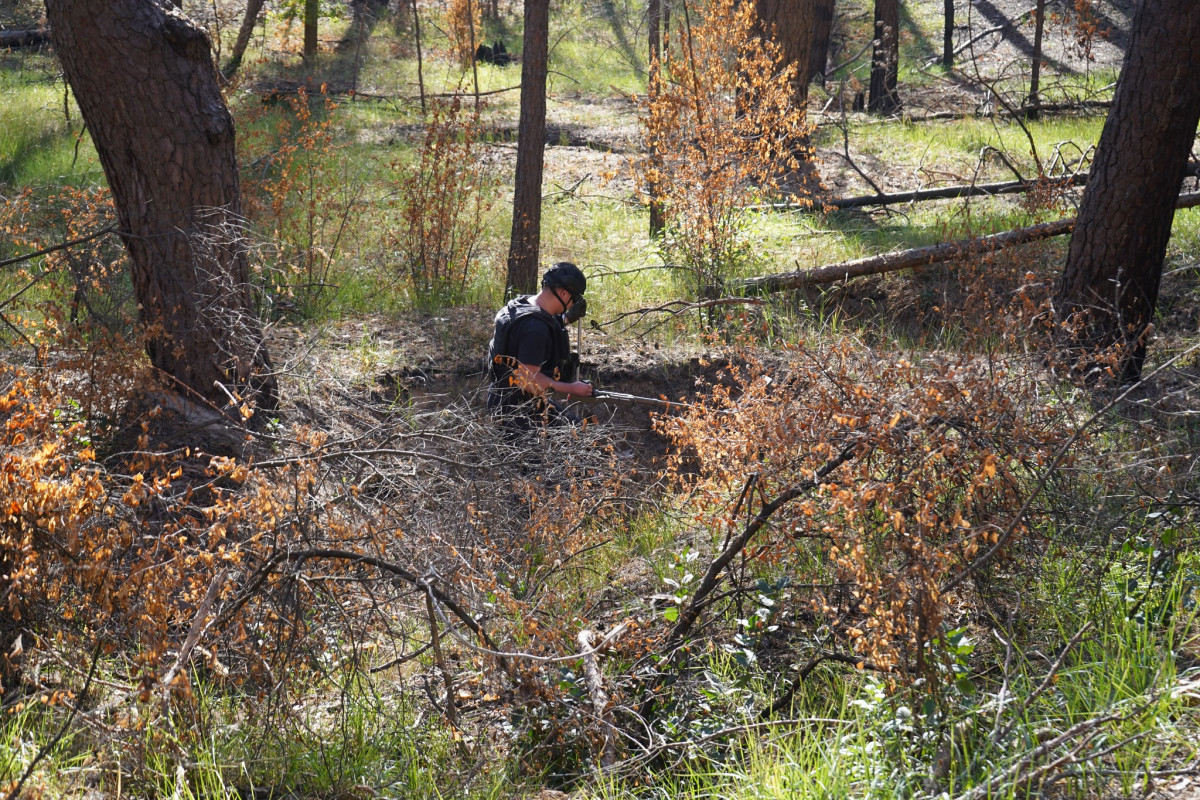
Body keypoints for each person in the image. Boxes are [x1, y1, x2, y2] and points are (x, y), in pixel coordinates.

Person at [486, 262, 593, 427]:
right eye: (574, 298)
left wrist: (565, 319)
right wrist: (571, 388)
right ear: (564, 293)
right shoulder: (536, 330)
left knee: (579, 429)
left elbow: (533, 326)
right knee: (576, 439)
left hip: (500, 397)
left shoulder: (521, 304)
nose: (573, 304)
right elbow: (528, 380)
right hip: (516, 412)